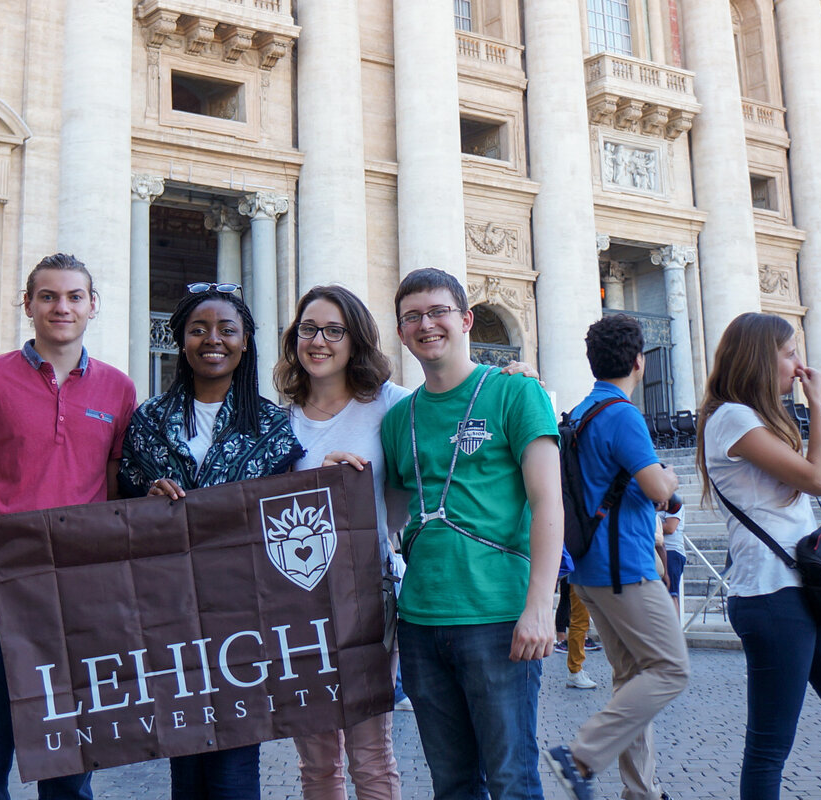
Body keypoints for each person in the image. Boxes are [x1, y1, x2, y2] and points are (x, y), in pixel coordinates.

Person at [0, 253, 135, 800]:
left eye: (74, 296)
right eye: (48, 296)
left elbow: (117, 492)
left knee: (70, 775)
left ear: (94, 306)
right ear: (27, 305)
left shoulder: (119, 390)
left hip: (78, 599)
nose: (61, 307)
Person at [379, 268, 561, 800]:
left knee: (512, 780)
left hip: (499, 616)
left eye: (437, 312)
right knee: (452, 784)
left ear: (466, 319)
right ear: (400, 331)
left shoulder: (515, 393)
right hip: (420, 622)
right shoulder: (399, 419)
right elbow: (391, 514)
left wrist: (541, 605)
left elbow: (548, 502)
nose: (426, 325)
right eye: (412, 316)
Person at [695, 312, 821, 800]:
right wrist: (818, 405)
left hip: (808, 589)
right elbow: (819, 479)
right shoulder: (732, 419)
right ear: (762, 359)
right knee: (769, 748)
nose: (798, 364)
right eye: (788, 353)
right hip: (772, 594)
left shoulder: (754, 418)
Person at [118, 284, 302, 800]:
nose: (212, 340)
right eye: (198, 330)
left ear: (246, 343)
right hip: (169, 611)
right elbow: (119, 506)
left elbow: (287, 509)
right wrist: (147, 496)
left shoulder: (271, 425)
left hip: (242, 615)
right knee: (185, 753)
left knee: (237, 752)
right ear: (180, 341)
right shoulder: (149, 420)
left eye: (227, 330)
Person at [543, 314, 688, 800]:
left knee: (631, 679)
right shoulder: (623, 414)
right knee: (671, 669)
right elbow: (655, 489)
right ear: (639, 361)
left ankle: (640, 791)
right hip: (625, 568)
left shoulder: (581, 412)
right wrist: (668, 478)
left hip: (588, 570)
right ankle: (582, 755)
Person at [273, 285, 406, 800]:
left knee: (371, 754)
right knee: (317, 760)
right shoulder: (277, 421)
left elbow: (451, 416)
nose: (319, 341)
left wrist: (511, 380)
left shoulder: (390, 407)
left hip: (366, 600)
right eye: (309, 329)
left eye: (334, 330)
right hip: (296, 605)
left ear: (356, 340)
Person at [658, 507, 685, 618]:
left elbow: (670, 528)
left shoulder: (673, 502)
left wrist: (648, 525)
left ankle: (675, 633)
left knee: (671, 594)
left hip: (671, 551)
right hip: (655, 551)